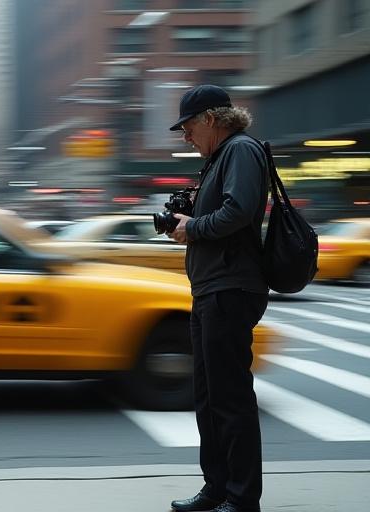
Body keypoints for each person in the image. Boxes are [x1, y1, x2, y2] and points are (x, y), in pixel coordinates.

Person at [166, 85, 269, 512]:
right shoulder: (217, 159)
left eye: (188, 127)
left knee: (231, 399)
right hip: (211, 288)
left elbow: (240, 210)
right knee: (208, 397)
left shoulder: (240, 150)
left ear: (210, 118)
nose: (185, 137)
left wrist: (194, 227)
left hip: (231, 288)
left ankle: (243, 499)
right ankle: (217, 488)